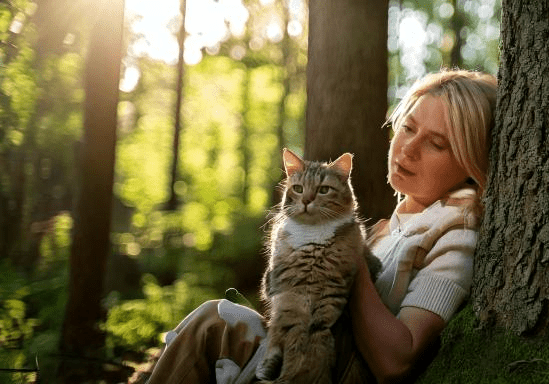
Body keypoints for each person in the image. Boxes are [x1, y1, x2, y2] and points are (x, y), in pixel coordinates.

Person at [136, 68, 497, 384]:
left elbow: (396, 363)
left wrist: (348, 252)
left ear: (471, 162)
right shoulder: (389, 226)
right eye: (408, 127)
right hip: (300, 351)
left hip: (331, 371)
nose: (408, 149)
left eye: (436, 144)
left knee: (209, 325)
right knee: (209, 323)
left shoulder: (458, 231)